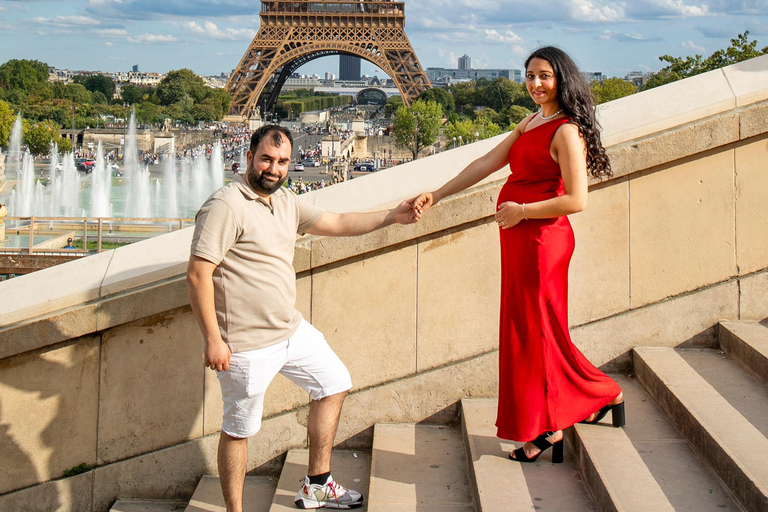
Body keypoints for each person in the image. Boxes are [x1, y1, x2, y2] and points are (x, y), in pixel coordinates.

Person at [187, 125, 419, 511]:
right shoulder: (225, 205)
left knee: (334, 382)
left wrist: (393, 217)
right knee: (238, 432)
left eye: (281, 162)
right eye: (266, 159)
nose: (273, 169)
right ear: (248, 158)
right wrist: (213, 338)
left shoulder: (286, 202)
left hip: (290, 332)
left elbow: (338, 223)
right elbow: (198, 273)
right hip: (245, 345)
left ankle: (317, 484)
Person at [412, 46, 624, 464]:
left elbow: (578, 200)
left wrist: (521, 211)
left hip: (542, 243)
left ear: (562, 78)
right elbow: (488, 161)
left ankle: (549, 426)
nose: (535, 84)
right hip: (521, 242)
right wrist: (436, 194)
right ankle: (600, 394)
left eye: (544, 76)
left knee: (537, 334)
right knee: (532, 332)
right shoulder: (531, 122)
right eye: (529, 76)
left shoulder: (566, 131)